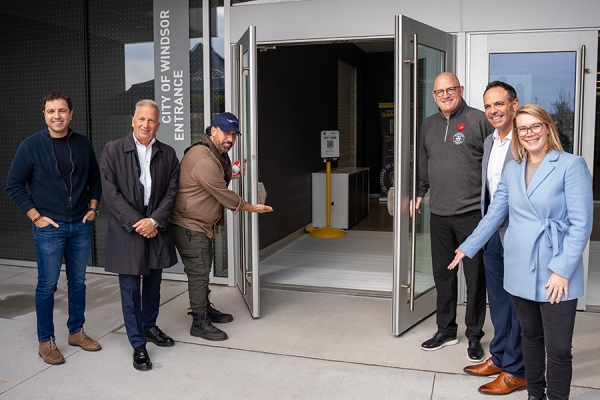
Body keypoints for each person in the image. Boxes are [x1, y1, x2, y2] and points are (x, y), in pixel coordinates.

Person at [449, 104, 592, 400]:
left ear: (548, 127)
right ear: (517, 133)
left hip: (556, 270)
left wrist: (563, 271)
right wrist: (468, 245)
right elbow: (494, 214)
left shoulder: (571, 164)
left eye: (535, 126)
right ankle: (534, 395)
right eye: (523, 128)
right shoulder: (513, 168)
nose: (529, 133)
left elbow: (581, 225)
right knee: (530, 336)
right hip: (519, 267)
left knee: (559, 349)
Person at [5, 91, 102, 365]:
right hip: (49, 228)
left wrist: (93, 207)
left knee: (78, 283)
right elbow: (13, 184)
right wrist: (36, 217)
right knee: (47, 285)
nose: (57, 116)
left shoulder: (82, 143)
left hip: (81, 225)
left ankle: (76, 332)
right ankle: (46, 341)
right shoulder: (31, 145)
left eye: (62, 111)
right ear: (45, 115)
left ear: (71, 114)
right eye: (51, 111)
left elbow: (95, 178)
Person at [413, 72, 494, 362]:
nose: (445, 95)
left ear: (460, 89)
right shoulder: (428, 125)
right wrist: (420, 191)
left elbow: (493, 164)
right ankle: (446, 330)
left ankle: (474, 336)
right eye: (439, 92)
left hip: (472, 216)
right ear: (433, 96)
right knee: (443, 276)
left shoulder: (478, 120)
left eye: (450, 89)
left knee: (475, 278)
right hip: (439, 214)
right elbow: (425, 161)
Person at [171, 112, 273, 341]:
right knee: (199, 272)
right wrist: (252, 208)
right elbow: (223, 193)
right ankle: (199, 322)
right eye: (226, 133)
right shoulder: (203, 157)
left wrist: (234, 173)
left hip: (201, 223)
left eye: (234, 134)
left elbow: (219, 176)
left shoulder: (215, 152)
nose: (230, 138)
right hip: (190, 224)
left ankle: (204, 308)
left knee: (203, 269)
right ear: (212, 130)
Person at [100, 99, 180, 371]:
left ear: (158, 125)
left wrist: (154, 220)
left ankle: (149, 326)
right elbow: (110, 193)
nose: (146, 124)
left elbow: (173, 191)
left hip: (156, 227)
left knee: (154, 283)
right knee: (131, 288)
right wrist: (138, 222)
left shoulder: (168, 153)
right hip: (128, 229)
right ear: (132, 121)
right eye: (141, 119)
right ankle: (137, 343)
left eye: (152, 120)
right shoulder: (112, 150)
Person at [462, 81, 526, 395]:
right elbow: (489, 193)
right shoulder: (490, 141)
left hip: (518, 236)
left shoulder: (526, 139)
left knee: (516, 307)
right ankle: (499, 357)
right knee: (498, 303)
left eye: (499, 104)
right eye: (488, 106)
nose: (493, 111)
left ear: (514, 104)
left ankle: (517, 370)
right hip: (492, 236)